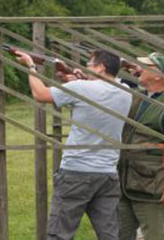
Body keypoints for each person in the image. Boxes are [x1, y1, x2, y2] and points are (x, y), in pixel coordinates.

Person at [15, 49, 133, 240]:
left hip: (76, 172)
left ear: (101, 67)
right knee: (110, 235)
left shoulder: (82, 88)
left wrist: (30, 66)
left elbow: (40, 94)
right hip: (107, 174)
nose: (86, 68)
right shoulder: (126, 93)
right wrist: (75, 79)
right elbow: (96, 95)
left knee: (59, 234)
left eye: (89, 64)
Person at [118, 52, 164, 240]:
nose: (139, 69)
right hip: (125, 183)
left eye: (146, 66)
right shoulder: (138, 97)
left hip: (152, 188)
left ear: (159, 75)